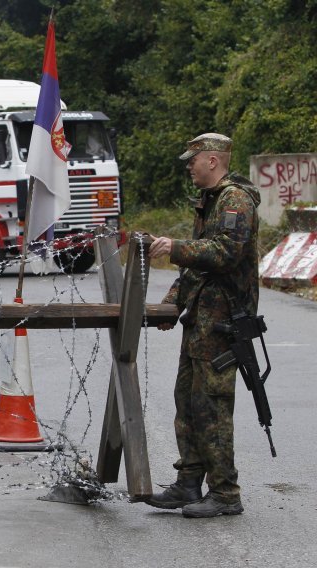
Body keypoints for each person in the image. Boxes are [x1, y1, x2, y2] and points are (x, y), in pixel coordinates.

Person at [146, 133, 260, 518]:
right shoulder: (209, 201)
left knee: (211, 406)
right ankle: (189, 483)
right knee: (187, 402)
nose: (188, 166)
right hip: (200, 319)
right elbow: (198, 265)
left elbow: (226, 253)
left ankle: (226, 493)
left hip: (223, 323)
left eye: (193, 160)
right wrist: (170, 305)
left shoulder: (236, 200)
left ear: (213, 160)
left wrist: (174, 247)